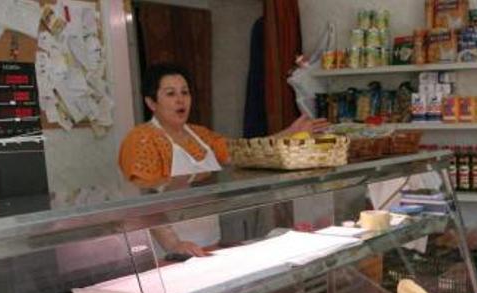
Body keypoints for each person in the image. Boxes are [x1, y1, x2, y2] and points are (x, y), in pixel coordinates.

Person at [118, 63, 326, 257]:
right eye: (171, 94)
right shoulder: (141, 140)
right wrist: (173, 245)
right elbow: (144, 203)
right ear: (151, 102)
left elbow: (243, 152)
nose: (180, 100)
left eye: (185, 92)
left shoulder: (200, 136)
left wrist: (290, 132)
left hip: (209, 243)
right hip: (169, 252)